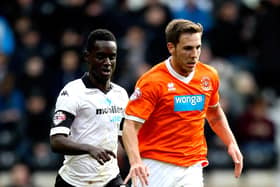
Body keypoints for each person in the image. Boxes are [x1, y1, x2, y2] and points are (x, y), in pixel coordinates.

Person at [122, 19, 243, 187]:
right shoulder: (152, 81)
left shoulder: (209, 76)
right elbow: (129, 125)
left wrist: (231, 143)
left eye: (198, 47)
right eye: (187, 48)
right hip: (156, 165)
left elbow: (214, 113)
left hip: (192, 165)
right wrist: (135, 161)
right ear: (171, 48)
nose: (194, 54)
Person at [49, 29, 129, 187]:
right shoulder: (72, 92)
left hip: (110, 178)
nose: (107, 62)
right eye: (100, 56)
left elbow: (124, 136)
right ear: (87, 57)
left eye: (112, 57)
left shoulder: (121, 94)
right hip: (74, 181)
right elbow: (56, 141)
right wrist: (90, 149)